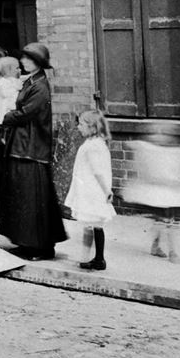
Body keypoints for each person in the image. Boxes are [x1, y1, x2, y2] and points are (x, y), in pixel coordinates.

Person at [0, 42, 67, 260]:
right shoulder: (30, 81)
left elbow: (27, 113)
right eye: (24, 58)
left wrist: (6, 117)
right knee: (23, 199)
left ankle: (42, 247)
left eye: (29, 59)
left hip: (32, 149)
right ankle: (27, 243)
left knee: (33, 199)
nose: (24, 61)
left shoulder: (40, 86)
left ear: (38, 63)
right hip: (22, 146)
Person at [65, 110, 114, 271]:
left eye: (81, 124)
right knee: (90, 225)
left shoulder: (93, 146)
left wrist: (106, 190)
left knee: (95, 225)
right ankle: (87, 257)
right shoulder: (94, 143)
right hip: (88, 189)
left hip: (91, 191)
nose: (78, 127)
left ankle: (98, 259)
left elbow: (97, 170)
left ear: (92, 127)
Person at [0, 56, 22, 130]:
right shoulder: (4, 85)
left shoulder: (12, 81)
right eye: (17, 68)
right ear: (8, 71)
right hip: (4, 120)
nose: (20, 70)